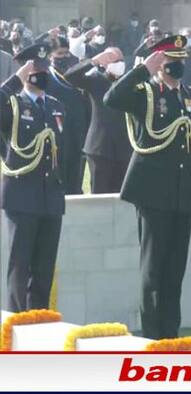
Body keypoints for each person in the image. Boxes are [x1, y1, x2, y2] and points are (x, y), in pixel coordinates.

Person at [104, 35, 191, 339]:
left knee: (175, 270)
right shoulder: (145, 93)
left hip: (183, 194)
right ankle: (152, 335)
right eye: (171, 60)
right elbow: (112, 99)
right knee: (153, 270)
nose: (177, 66)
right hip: (153, 193)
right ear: (159, 62)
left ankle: (171, 333)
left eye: (181, 60)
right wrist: (141, 70)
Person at [0, 43, 66, 312]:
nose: (41, 73)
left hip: (50, 196)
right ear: (26, 70)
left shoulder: (56, 105)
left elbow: (66, 150)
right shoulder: (12, 104)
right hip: (22, 194)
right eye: (35, 68)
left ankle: (39, 322)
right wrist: (14, 81)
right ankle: (16, 322)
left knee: (44, 266)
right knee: (20, 264)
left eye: (44, 68)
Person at [64, 47, 132, 193]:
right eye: (113, 60)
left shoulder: (129, 81)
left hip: (125, 148)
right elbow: (70, 77)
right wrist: (94, 61)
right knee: (99, 193)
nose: (118, 63)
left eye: (121, 60)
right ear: (105, 63)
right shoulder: (96, 80)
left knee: (122, 194)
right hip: (100, 148)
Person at [45, 37, 88, 195]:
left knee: (76, 170)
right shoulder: (47, 76)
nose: (63, 57)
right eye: (59, 53)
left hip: (77, 130)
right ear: (50, 55)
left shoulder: (76, 72)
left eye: (66, 53)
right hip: (57, 130)